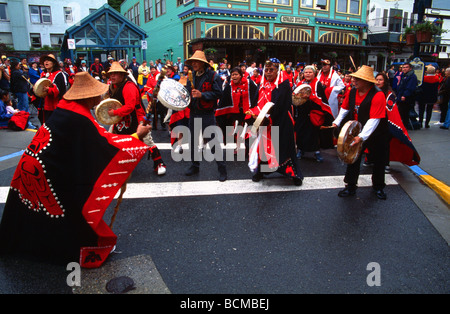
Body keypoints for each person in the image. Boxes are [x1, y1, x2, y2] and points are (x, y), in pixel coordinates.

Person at [0, 72, 151, 268]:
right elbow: (104, 145)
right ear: (89, 97)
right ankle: (67, 248)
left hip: (35, 164)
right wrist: (136, 137)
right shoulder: (79, 118)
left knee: (31, 211)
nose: (100, 98)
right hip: (47, 171)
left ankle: (27, 243)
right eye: (98, 94)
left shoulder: (66, 108)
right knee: (66, 208)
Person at [332, 66, 389, 200]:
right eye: (353, 78)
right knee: (353, 158)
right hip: (358, 129)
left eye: (357, 79)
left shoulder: (378, 94)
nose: (353, 80)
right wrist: (336, 122)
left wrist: (361, 137)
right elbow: (345, 108)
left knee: (379, 160)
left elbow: (374, 120)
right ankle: (350, 186)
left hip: (377, 132)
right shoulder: (352, 92)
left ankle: (378, 187)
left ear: (367, 81)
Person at [246, 58, 303, 186]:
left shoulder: (283, 84)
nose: (268, 73)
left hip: (280, 122)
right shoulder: (262, 84)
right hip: (265, 122)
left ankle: (294, 174)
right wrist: (254, 114)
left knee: (284, 149)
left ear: (277, 71)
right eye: (266, 70)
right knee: (264, 148)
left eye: (271, 70)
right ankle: (261, 171)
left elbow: (281, 105)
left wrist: (266, 117)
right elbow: (256, 101)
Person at [106, 61, 166, 175]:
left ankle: (159, 163)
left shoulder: (128, 86)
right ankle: (118, 163)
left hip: (137, 117)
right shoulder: (113, 86)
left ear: (122, 75)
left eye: (115, 73)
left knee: (147, 141)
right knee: (112, 139)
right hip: (121, 118)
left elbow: (130, 107)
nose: (112, 76)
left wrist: (114, 112)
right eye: (111, 74)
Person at [184, 50, 227, 182]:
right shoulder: (191, 76)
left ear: (203, 63)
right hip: (193, 112)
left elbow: (219, 93)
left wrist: (202, 95)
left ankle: (222, 169)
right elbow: (187, 92)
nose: (194, 64)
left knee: (213, 142)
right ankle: (195, 165)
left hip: (207, 114)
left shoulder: (213, 76)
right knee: (192, 141)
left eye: (196, 62)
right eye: (192, 62)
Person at [374, 72, 420, 167]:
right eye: (377, 79)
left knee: (385, 144)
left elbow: (390, 110)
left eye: (380, 80)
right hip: (374, 121)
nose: (378, 82)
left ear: (385, 81)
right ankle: (371, 159)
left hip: (386, 123)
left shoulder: (389, 94)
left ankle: (385, 163)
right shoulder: (372, 91)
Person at [295, 65, 333, 162]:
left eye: (310, 72)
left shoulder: (318, 84)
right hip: (302, 112)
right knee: (301, 132)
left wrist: (309, 96)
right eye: (306, 72)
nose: (308, 74)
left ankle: (316, 152)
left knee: (314, 134)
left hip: (313, 112)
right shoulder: (300, 83)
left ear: (314, 73)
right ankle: (300, 150)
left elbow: (321, 99)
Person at [216, 67, 258, 152]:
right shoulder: (229, 86)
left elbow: (256, 93)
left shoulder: (249, 83)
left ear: (241, 75)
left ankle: (248, 147)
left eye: (236, 74)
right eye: (232, 75)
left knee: (249, 129)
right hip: (236, 112)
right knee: (237, 128)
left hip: (248, 111)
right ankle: (238, 146)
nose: (234, 77)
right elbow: (224, 99)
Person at [39, 54, 68, 124]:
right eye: (45, 61)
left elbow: (60, 90)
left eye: (48, 60)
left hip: (55, 106)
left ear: (54, 63)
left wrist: (48, 90)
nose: (46, 62)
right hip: (44, 105)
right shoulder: (43, 74)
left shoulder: (59, 74)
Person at [396, 62, 418, 130]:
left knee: (404, 113)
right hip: (400, 96)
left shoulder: (412, 76)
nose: (404, 69)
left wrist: (405, 95)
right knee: (401, 112)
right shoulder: (404, 75)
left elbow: (410, 87)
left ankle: (404, 127)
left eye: (406, 67)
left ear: (410, 68)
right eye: (403, 67)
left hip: (406, 98)